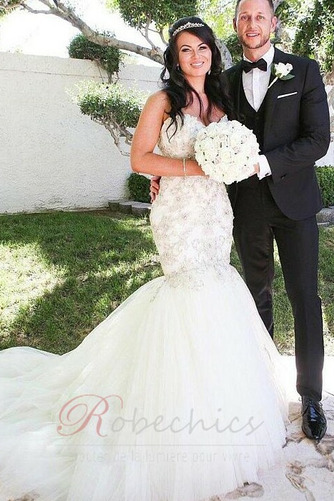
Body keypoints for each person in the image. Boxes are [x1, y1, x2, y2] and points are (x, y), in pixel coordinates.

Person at [0, 17, 287, 501]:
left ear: (213, 53)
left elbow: (234, 156)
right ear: (174, 59)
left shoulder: (223, 102)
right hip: (178, 213)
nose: (196, 56)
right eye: (185, 50)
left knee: (217, 289)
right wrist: (188, 168)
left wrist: (229, 164)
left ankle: (221, 413)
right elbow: (139, 159)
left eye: (203, 48)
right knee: (187, 292)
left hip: (214, 212)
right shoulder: (162, 102)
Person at [222, 0, 330, 440]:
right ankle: (263, 390)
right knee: (255, 295)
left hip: (296, 203)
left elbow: (318, 140)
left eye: (259, 16)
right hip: (246, 207)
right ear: (235, 24)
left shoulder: (302, 70)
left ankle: (311, 398)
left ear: (273, 22)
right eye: (244, 17)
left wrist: (266, 163)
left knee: (304, 297)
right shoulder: (223, 81)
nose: (252, 24)